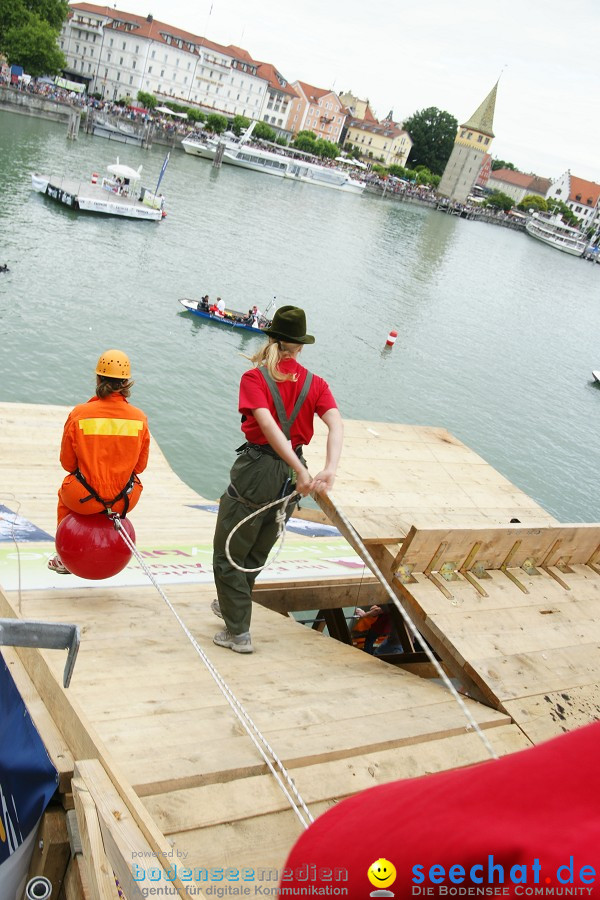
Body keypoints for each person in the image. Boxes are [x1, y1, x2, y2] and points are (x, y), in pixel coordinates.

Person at [211, 306, 343, 653]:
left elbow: (267, 426)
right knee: (256, 548)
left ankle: (238, 633)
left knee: (228, 551)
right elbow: (337, 425)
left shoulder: (256, 378)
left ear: (271, 337)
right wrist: (327, 467)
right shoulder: (317, 384)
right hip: (290, 474)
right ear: (300, 346)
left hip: (259, 469)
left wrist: (301, 471)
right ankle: (232, 606)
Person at [48, 350, 150, 574]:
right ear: (126, 382)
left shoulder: (80, 414)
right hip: (124, 501)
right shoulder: (139, 418)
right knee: (135, 482)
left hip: (82, 499)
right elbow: (140, 467)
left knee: (65, 491)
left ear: (98, 378)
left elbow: (67, 463)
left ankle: (63, 557)